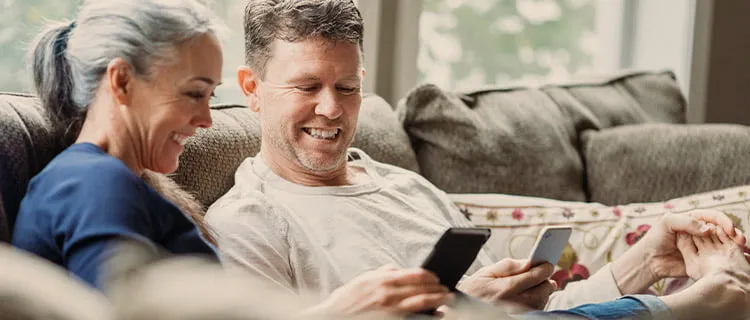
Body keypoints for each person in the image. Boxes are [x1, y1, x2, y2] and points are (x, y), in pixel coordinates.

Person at [205, 0, 750, 318]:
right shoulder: (248, 223)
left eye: (347, 86)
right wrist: (463, 308)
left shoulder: (404, 187)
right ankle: (705, 304)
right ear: (251, 88)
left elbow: (535, 316)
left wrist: (648, 261)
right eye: (306, 86)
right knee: (719, 300)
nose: (331, 108)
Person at [12, 0, 223, 289]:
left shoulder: (105, 181)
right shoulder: (93, 183)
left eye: (211, 97)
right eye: (195, 93)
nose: (207, 120)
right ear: (122, 81)